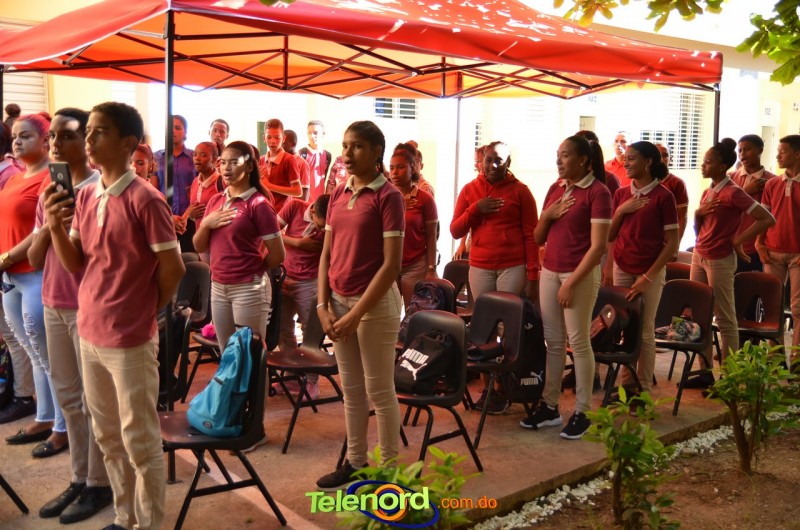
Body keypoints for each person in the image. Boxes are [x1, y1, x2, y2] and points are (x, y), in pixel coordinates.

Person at [44, 101, 185, 530]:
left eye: (99, 131)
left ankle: (149, 523)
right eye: (88, 130)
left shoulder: (146, 199)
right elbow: (74, 262)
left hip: (129, 339)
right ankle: (124, 518)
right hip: (89, 333)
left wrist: (146, 309)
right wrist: (54, 225)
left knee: (139, 441)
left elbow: (174, 268)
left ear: (128, 144)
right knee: (107, 436)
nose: (89, 139)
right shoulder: (87, 194)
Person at [27, 107, 112, 523]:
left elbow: (93, 259)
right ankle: (80, 477)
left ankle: (100, 483)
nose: (57, 144)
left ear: (87, 142)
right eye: (54, 137)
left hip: (87, 306)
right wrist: (50, 222)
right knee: (69, 399)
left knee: (94, 402)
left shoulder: (99, 190)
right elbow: (33, 256)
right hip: (52, 301)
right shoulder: (51, 189)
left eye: (68, 136)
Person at [315, 120, 404, 491]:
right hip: (338, 302)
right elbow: (326, 253)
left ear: (376, 152)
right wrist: (322, 305)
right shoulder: (338, 191)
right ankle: (355, 463)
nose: (347, 153)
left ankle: (389, 475)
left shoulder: (388, 196)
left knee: (379, 392)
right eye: (345, 145)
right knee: (351, 391)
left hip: (374, 306)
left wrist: (356, 314)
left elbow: (391, 265)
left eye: (357, 146)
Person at [521, 135, 611, 440]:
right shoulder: (555, 189)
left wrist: (571, 283)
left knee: (579, 342)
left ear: (584, 160)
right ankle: (550, 406)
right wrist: (548, 215)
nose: (559, 161)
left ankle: (583, 412)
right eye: (558, 155)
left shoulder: (598, 192)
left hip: (578, 275)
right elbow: (538, 237)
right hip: (550, 271)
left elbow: (598, 247)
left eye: (566, 155)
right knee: (554, 342)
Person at [450, 141, 539, 414]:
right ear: (481, 161)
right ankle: (489, 387)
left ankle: (505, 388)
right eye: (488, 160)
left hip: (512, 266)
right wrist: (476, 209)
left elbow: (531, 236)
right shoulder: (470, 190)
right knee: (484, 328)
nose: (492, 165)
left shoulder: (521, 191)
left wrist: (532, 275)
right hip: (480, 266)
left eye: (499, 160)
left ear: (508, 163)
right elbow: (455, 230)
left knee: (507, 329)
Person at [0, 113, 68, 453]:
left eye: (25, 136)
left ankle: (63, 427)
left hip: (36, 273)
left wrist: (7, 257)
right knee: (33, 353)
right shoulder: (16, 177)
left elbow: (43, 229)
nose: (17, 141)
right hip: (11, 276)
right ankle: (45, 415)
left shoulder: (52, 176)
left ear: (45, 140)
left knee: (50, 357)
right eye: (15, 136)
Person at [687, 142, 774, 388]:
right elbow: (699, 230)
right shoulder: (708, 191)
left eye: (708, 162)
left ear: (723, 166)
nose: (703, 165)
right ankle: (705, 373)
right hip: (699, 255)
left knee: (725, 318)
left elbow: (767, 218)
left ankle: (730, 378)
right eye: (704, 161)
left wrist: (738, 240)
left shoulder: (733, 191)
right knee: (699, 315)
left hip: (720, 259)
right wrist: (698, 213)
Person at [607, 141, 679, 396]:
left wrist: (648, 277)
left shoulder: (664, 196)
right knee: (626, 326)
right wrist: (621, 211)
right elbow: (610, 235)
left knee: (645, 331)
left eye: (632, 158)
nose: (626, 163)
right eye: (625, 158)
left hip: (649, 271)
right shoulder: (621, 194)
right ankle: (627, 385)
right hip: (622, 267)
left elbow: (672, 243)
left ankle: (643, 390)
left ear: (648, 162)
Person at [276, 193, 330, 398]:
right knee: (283, 329)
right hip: (285, 276)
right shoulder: (295, 207)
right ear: (313, 211)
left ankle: (311, 380)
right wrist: (298, 243)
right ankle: (290, 375)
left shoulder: (330, 223)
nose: (322, 230)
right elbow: (271, 233)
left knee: (311, 332)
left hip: (310, 282)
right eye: (320, 224)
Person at [756, 134, 800, 363]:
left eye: (782, 152)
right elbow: (763, 217)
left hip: (798, 255)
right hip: (772, 253)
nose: (777, 156)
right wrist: (759, 243)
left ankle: (796, 363)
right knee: (772, 307)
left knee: (798, 309)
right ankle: (776, 360)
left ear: (797, 154)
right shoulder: (772, 184)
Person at [389, 144, 438, 307]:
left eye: (400, 167)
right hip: (389, 264)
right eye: (392, 168)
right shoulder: (384, 197)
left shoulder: (425, 198)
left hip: (415, 265)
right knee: (390, 312)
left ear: (413, 168)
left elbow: (432, 236)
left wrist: (431, 269)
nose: (395, 172)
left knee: (414, 312)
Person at [730, 134, 776, 272]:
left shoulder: (773, 181)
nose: (742, 154)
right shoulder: (730, 178)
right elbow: (721, 208)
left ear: (760, 150)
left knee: (753, 284)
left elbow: (775, 216)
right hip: (730, 245)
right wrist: (746, 191)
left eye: (747, 149)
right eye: (740, 150)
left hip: (758, 248)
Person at [155, 115, 196, 251]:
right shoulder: (156, 157)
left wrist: (184, 218)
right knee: (163, 259)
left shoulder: (195, 157)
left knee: (192, 258)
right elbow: (153, 191)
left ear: (185, 132)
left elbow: (199, 189)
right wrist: (169, 216)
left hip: (190, 219)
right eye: (170, 128)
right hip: (163, 218)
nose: (173, 131)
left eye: (177, 128)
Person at [258, 118, 302, 213]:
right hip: (264, 211)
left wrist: (270, 186)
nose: (273, 141)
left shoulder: (289, 159)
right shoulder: (261, 160)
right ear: (264, 138)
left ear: (283, 139)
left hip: (281, 214)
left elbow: (298, 191)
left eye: (277, 137)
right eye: (269, 137)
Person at [454, 145, 485, 260]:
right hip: (473, 243)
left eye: (479, 162)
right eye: (476, 162)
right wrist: (462, 243)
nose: (476, 165)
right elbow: (465, 219)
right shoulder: (470, 188)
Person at [185, 141, 223, 236]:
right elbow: (194, 210)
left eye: (203, 155)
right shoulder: (195, 182)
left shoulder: (222, 182)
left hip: (219, 239)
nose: (197, 158)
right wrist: (191, 215)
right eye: (195, 154)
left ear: (214, 159)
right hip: (201, 239)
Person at [655, 143, 689, 245]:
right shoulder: (644, 182)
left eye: (665, 155)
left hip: (667, 241)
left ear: (670, 158)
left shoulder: (677, 183)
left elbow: (682, 217)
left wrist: (675, 245)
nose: (661, 159)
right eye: (658, 155)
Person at [299, 120, 332, 202]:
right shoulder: (301, 154)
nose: (312, 136)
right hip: (304, 203)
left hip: (319, 203)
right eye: (309, 133)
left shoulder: (327, 155)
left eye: (315, 133)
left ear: (323, 134)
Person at [283, 129, 311, 201]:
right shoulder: (280, 162)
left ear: (293, 144)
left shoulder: (302, 164)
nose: (279, 146)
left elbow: (305, 194)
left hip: (293, 206)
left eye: (283, 143)